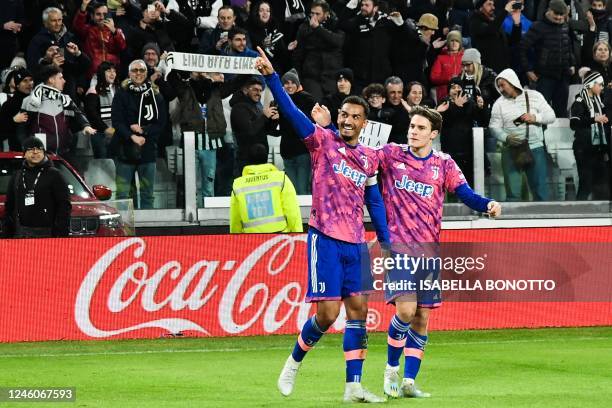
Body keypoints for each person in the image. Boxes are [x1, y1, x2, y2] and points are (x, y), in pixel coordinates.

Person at [254, 47, 389, 403]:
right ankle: (293, 364)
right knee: (328, 315)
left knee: (359, 312)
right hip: (325, 237)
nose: (347, 120)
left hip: (356, 243)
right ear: (338, 116)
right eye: (343, 114)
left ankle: (353, 386)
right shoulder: (321, 141)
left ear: (364, 123)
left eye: (354, 117)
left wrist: (387, 241)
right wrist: (271, 76)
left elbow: (374, 202)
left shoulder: (369, 158)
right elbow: (291, 112)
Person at [375, 106, 501, 399]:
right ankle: (391, 369)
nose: (413, 131)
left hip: (429, 253)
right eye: (412, 126)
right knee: (405, 310)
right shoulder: (392, 154)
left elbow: (466, 193)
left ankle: (409, 381)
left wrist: (488, 204)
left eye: (420, 128)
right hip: (399, 247)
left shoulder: (443, 164)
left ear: (433, 134)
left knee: (421, 317)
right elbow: (362, 160)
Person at [489, 68, 556, 201]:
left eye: (503, 85)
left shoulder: (535, 96)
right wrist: (505, 137)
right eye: (499, 86)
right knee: (512, 194)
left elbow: (551, 116)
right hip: (511, 150)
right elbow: (493, 127)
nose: (501, 89)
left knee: (540, 191)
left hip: (535, 148)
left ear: (512, 81)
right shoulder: (499, 104)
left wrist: (535, 117)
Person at [111, 59, 167, 209]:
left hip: (148, 151)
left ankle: (148, 230)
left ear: (146, 73)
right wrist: (132, 136)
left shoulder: (156, 95)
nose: (138, 73)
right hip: (125, 151)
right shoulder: (121, 94)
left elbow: (161, 123)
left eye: (142, 70)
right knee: (123, 194)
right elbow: (117, 121)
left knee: (147, 193)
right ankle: (123, 230)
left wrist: (144, 131)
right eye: (135, 70)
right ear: (129, 73)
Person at [19, 65, 96, 164]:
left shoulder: (66, 99)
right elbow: (21, 129)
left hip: (64, 154)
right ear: (51, 80)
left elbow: (78, 114)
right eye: (60, 78)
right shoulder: (31, 101)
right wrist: (26, 148)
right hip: (40, 156)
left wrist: (86, 126)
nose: (64, 81)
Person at [3, 136, 71, 238]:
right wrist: (7, 232)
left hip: (47, 233)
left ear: (44, 152)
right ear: (24, 154)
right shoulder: (17, 175)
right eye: (31, 149)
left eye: (39, 149)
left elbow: (64, 205)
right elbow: (9, 206)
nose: (35, 152)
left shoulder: (54, 174)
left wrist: (60, 233)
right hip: (21, 233)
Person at [520, 0, 576, 117]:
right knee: (542, 114)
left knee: (562, 114)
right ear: (549, 11)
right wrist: (528, 70)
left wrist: (572, 64)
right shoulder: (538, 26)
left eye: (562, 15)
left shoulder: (565, 25)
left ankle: (561, 136)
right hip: (544, 78)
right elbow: (522, 48)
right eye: (557, 14)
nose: (560, 17)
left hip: (563, 77)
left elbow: (569, 46)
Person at [229, 143, 303, 233]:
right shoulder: (281, 178)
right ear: (267, 158)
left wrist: (235, 240)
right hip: (279, 237)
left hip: (250, 241)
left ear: (248, 160)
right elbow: (292, 211)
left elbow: (235, 218)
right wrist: (297, 234)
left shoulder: (238, 185)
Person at [274, 69, 317, 195]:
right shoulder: (279, 101)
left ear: (297, 84)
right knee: (291, 192)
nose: (289, 85)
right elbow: (274, 130)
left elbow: (315, 123)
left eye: (292, 82)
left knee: (303, 190)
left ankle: (305, 215)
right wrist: (270, 119)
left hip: (303, 151)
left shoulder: (306, 98)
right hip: (287, 152)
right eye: (286, 83)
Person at [292, 0, 345, 101]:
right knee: (314, 107)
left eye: (317, 14)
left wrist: (317, 28)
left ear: (326, 14)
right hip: (311, 76)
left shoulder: (336, 25)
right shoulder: (304, 27)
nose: (314, 17)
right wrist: (298, 77)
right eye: (312, 13)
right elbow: (298, 54)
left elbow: (337, 42)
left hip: (332, 76)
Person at [569, 70, 610, 199]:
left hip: (597, 147)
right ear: (591, 84)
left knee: (601, 183)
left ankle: (600, 215)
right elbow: (574, 124)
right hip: (584, 147)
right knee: (585, 183)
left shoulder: (599, 102)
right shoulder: (579, 101)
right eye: (600, 84)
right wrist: (594, 119)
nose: (602, 87)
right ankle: (578, 213)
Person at [229, 76, 278, 176]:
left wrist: (274, 120)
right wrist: (264, 116)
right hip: (246, 160)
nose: (258, 93)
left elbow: (266, 130)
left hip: (261, 159)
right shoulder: (239, 107)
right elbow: (249, 131)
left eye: (260, 90)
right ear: (245, 90)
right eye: (255, 89)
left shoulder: (257, 107)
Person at [73, 0, 127, 79]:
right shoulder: (88, 30)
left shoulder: (117, 31)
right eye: (98, 14)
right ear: (92, 16)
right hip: (93, 75)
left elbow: (122, 47)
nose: (102, 17)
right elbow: (77, 26)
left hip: (112, 75)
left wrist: (114, 31)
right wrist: (83, 8)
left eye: (104, 14)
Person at [84, 61, 118, 159]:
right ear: (102, 73)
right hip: (99, 134)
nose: (112, 74)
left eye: (114, 71)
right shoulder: (93, 91)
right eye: (109, 71)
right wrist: (105, 128)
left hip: (115, 134)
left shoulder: (117, 90)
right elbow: (91, 114)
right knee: (103, 163)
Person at [0, 68, 33, 152]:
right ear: (17, 84)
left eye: (31, 80)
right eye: (25, 81)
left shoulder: (37, 101)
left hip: (37, 151)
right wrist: (14, 120)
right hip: (17, 153)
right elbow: (2, 131)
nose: (29, 84)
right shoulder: (9, 104)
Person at [430, 30, 464, 102]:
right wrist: (449, 78)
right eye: (452, 41)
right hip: (444, 95)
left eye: (457, 41)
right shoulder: (440, 58)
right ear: (448, 42)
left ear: (460, 43)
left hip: (462, 94)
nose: (454, 43)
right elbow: (433, 78)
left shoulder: (465, 58)